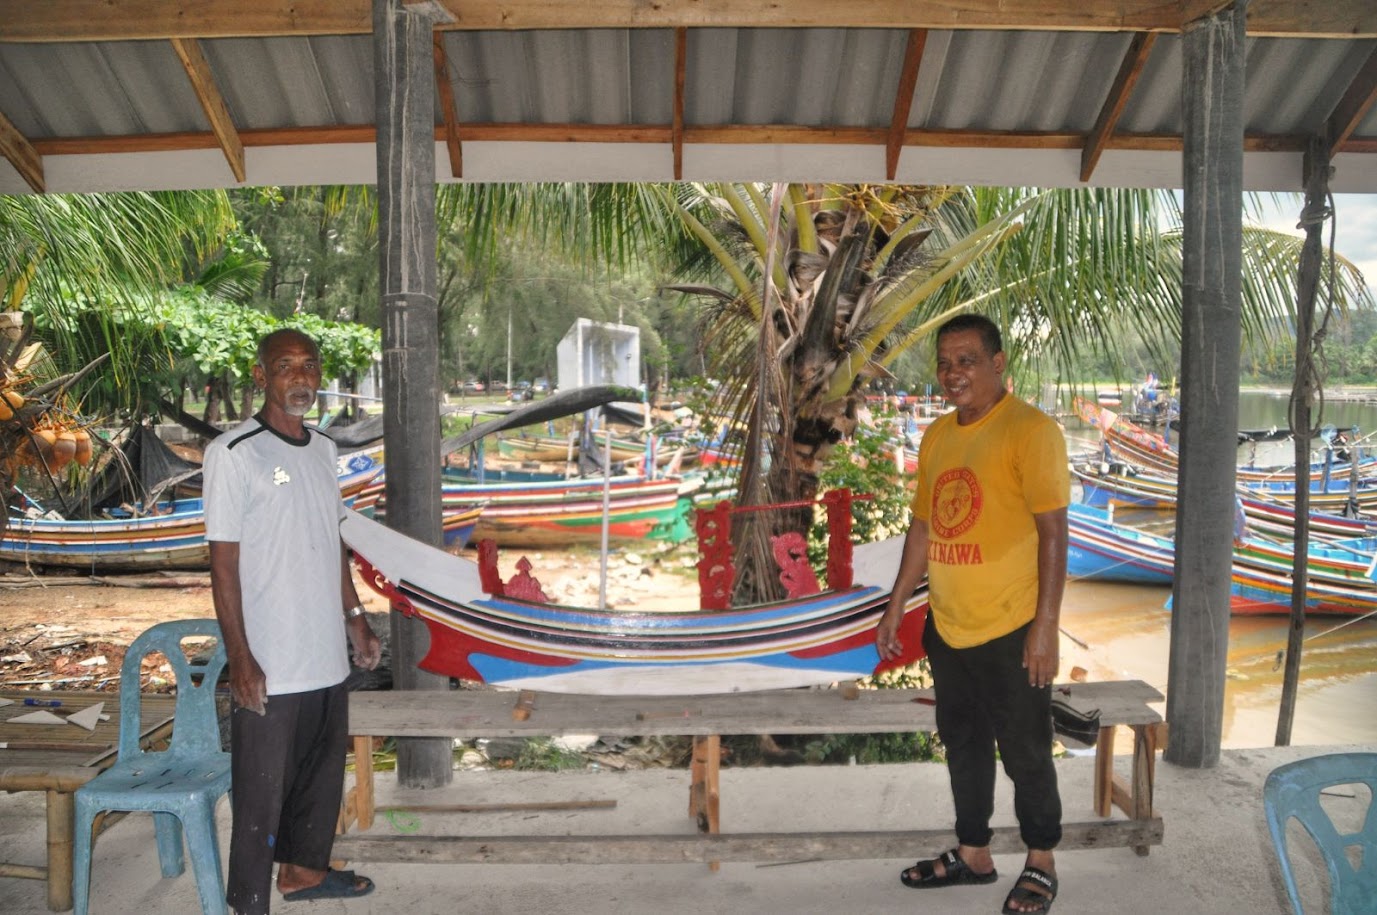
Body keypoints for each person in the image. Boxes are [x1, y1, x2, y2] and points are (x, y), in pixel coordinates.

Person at [875, 313, 1069, 915]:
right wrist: (896, 606)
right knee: (961, 744)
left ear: (997, 362)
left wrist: (1044, 626)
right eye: (945, 362)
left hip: (1012, 627)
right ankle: (974, 852)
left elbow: (1054, 533)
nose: (952, 373)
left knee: (1026, 749)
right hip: (949, 625)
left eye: (967, 360)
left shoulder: (1031, 431)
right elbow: (924, 529)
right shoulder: (936, 437)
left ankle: (1041, 859)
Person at [205, 328, 381, 914]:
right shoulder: (234, 453)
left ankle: (304, 872)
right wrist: (242, 657)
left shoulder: (325, 450)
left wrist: (353, 616)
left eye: (309, 366)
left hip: (323, 648)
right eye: (286, 366)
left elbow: (330, 538)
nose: (301, 378)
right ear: (261, 377)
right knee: (260, 791)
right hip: (271, 657)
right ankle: (248, 900)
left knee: (318, 774)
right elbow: (222, 565)